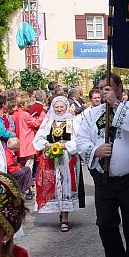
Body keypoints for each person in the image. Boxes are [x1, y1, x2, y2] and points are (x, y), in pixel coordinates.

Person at [76, 73, 129, 257]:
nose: (103, 92)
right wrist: (95, 150)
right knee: (106, 224)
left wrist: (116, 105)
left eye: (108, 88)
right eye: (100, 88)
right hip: (104, 179)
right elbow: (81, 140)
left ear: (119, 89)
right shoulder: (91, 115)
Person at [33, 96, 81, 232]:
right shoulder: (48, 121)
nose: (59, 109)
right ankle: (61, 210)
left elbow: (78, 139)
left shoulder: (72, 121)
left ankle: (65, 217)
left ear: (66, 107)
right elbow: (38, 138)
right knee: (55, 185)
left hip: (66, 158)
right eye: (56, 107)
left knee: (65, 185)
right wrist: (48, 144)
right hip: (50, 158)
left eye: (62, 107)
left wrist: (65, 146)